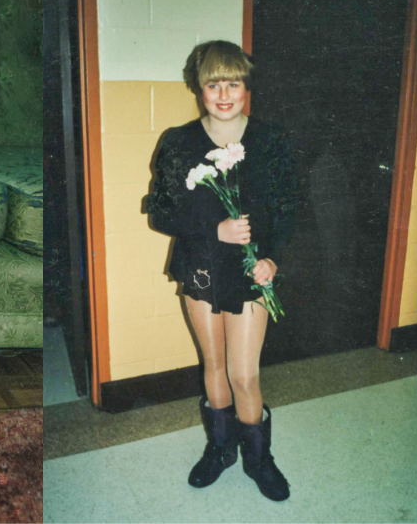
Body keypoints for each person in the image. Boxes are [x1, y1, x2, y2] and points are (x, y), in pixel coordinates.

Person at [146, 40, 298, 502]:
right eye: (214, 83)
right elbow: (160, 212)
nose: (225, 93)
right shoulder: (177, 141)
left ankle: (258, 458)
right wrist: (215, 228)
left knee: (244, 374)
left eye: (234, 82)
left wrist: (272, 257)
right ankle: (220, 449)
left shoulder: (271, 141)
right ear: (199, 87)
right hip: (200, 268)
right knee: (213, 366)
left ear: (246, 86)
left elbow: (289, 208)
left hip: (251, 273)